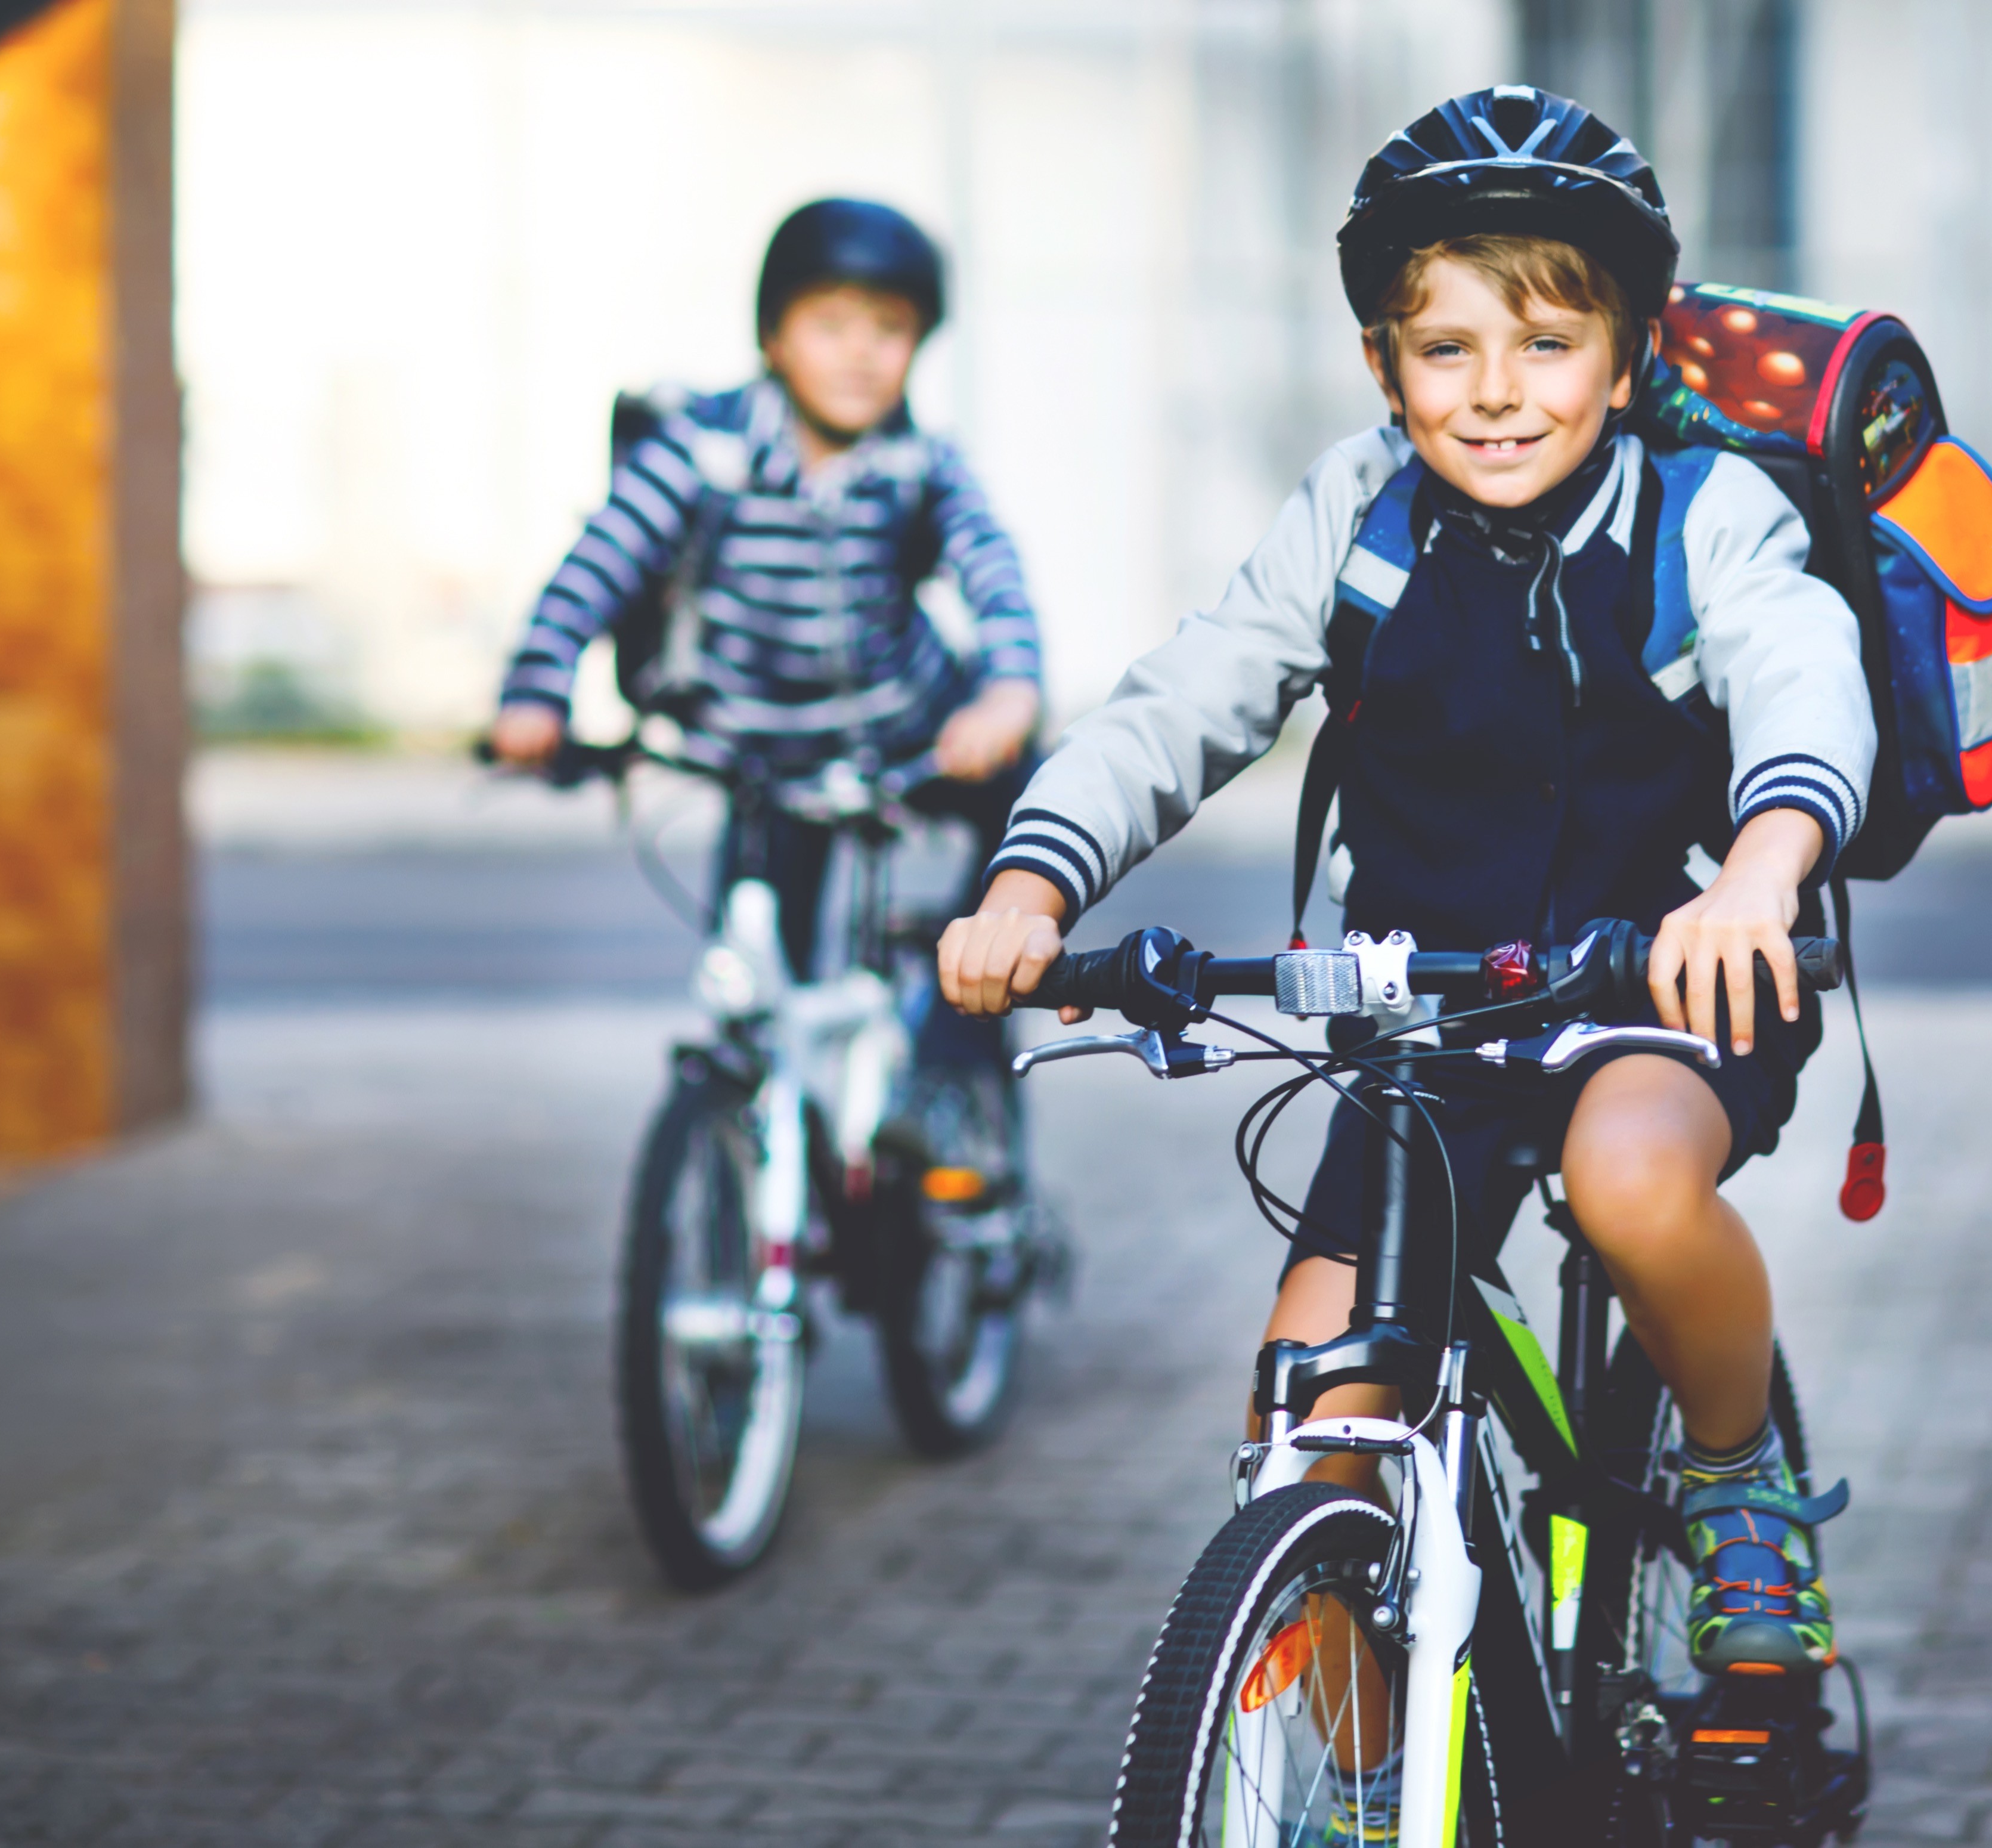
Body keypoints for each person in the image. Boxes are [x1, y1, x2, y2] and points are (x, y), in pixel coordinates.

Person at [938, 88, 1870, 1705]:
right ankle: (1367, 1786)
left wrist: (1760, 879)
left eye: (1546, 346)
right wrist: (1027, 880)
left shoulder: (1699, 518)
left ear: (1629, 352)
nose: (1495, 395)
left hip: (1652, 991)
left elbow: (1803, 683)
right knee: (1311, 1427)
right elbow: (1185, 701)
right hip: (1413, 1021)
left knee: (1633, 1184)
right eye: (1444, 351)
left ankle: (1734, 1484)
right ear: (1382, 364)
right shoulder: (1354, 518)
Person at [490, 198, 1043, 1063]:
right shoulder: (702, 451)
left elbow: (991, 568)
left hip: (908, 731)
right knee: (753, 993)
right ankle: (756, 1124)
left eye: (889, 329)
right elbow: (596, 567)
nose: (860, 351)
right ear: (773, 340)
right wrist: (535, 693)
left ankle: (957, 1055)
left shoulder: (919, 464)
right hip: (761, 756)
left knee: (1029, 819)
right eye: (829, 324)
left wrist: (1008, 693)